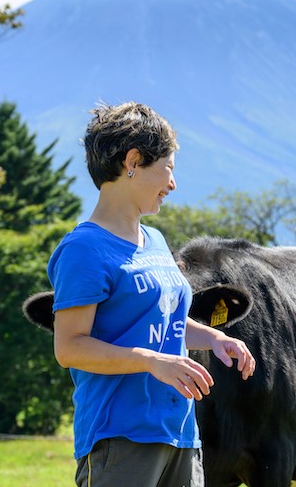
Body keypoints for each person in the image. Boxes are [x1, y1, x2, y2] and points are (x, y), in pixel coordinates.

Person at [47, 101, 256, 487]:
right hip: (120, 438)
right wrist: (151, 361)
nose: (172, 184)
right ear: (133, 161)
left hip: (179, 433)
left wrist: (215, 338)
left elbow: (164, 321)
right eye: (168, 169)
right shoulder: (84, 249)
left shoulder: (155, 240)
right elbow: (70, 348)